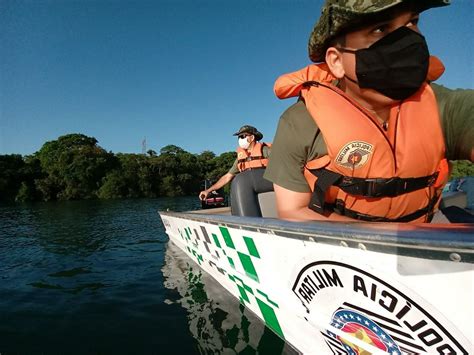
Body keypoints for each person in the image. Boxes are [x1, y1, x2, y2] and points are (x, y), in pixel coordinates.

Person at [264, 0, 474, 222]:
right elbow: (292, 210)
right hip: (341, 250)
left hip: (426, 232)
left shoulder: (443, 106)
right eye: (380, 28)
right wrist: (390, 241)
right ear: (336, 61)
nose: (406, 40)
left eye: (412, 22)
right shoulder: (299, 123)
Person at [199, 125, 273, 216]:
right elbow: (227, 176)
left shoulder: (265, 151)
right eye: (239, 137)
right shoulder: (240, 158)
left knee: (242, 181)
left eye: (242, 136)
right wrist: (208, 191)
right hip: (248, 186)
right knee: (238, 181)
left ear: (252, 137)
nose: (240, 139)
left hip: (270, 183)